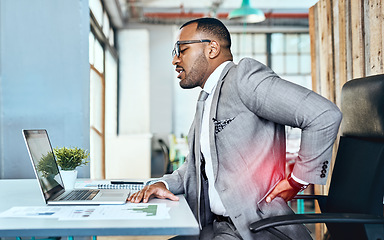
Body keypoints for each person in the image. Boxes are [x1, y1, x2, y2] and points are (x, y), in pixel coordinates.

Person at [128, 17, 342, 240]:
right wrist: (162, 184)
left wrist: (298, 180)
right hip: (217, 227)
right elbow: (196, 167)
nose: (175, 59)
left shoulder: (244, 78)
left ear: (211, 48)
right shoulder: (206, 99)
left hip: (255, 230)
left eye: (182, 50)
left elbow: (323, 115)